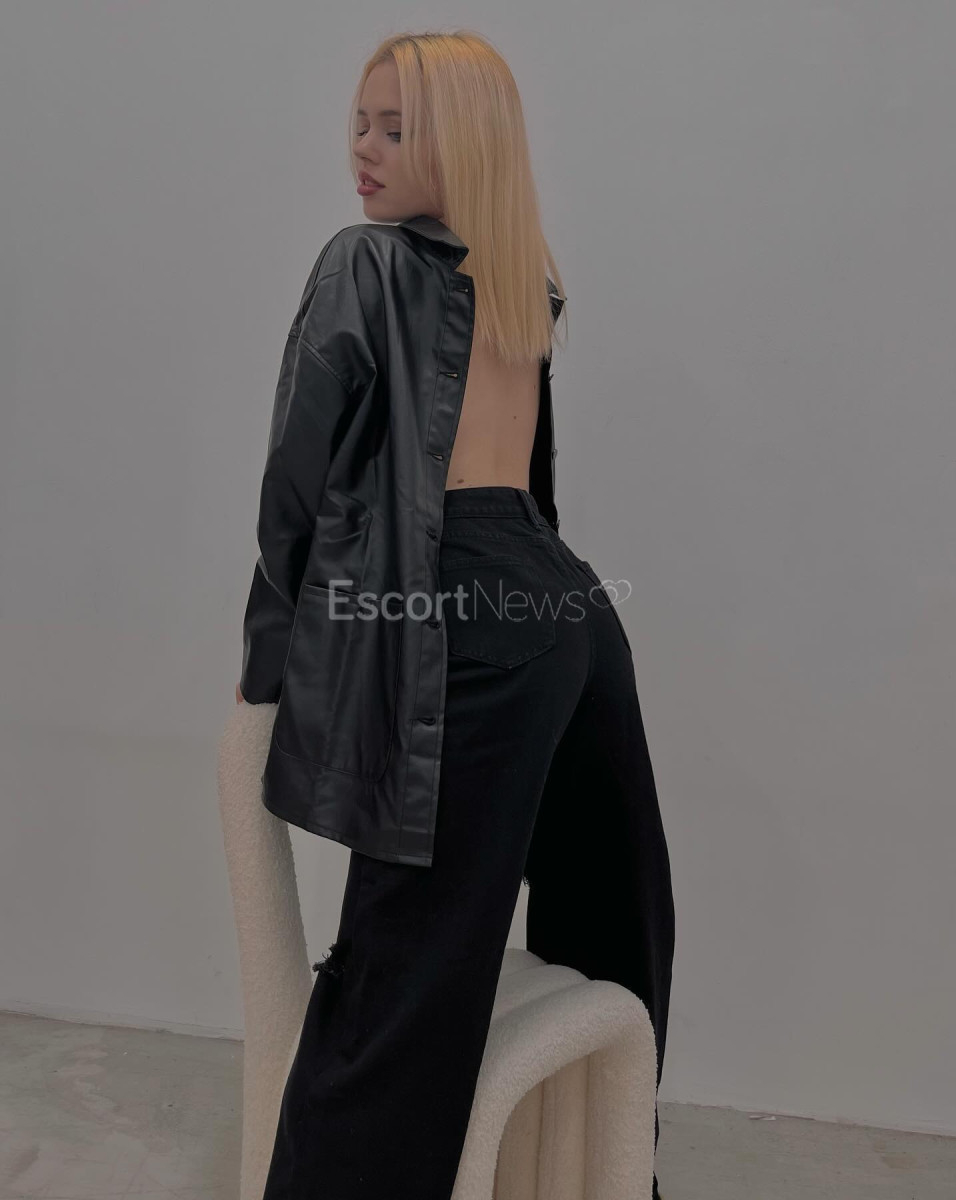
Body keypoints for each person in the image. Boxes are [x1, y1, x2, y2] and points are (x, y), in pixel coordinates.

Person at [236, 29, 675, 1200]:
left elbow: (296, 484)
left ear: (465, 143)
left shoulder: (364, 264)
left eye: (396, 128)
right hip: (570, 604)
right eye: (359, 123)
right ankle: (603, 1174)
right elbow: (531, 478)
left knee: (401, 964)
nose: (364, 149)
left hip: (466, 602)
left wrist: (268, 654)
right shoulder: (529, 275)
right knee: (613, 921)